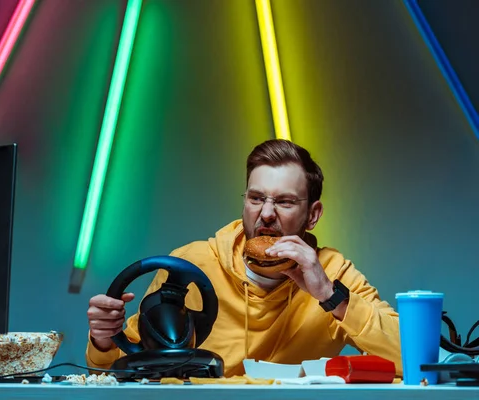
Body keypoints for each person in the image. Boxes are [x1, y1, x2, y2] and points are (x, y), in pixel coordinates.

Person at [86, 139, 401, 377]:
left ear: (313, 215)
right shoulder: (191, 264)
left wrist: (330, 297)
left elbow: (412, 357)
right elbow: (119, 367)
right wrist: (103, 339)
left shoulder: (333, 272)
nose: (265, 214)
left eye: (285, 202)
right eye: (256, 198)